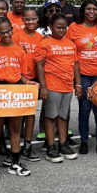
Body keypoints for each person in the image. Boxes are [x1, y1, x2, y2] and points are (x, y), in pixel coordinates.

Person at [0, 17, 33, 177]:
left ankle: (15, 162)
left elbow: (22, 75)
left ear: (12, 30)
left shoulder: (19, 51)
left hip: (16, 89)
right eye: (1, 32)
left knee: (15, 128)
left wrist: (29, 83)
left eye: (8, 31)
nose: (5, 34)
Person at [35, 13, 81, 162]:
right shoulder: (44, 43)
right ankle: (50, 147)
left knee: (63, 116)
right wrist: (43, 87)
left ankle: (62, 144)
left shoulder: (71, 44)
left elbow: (75, 65)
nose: (61, 30)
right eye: (58, 27)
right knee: (51, 116)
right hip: (52, 85)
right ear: (50, 27)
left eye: (64, 27)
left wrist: (78, 84)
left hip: (67, 86)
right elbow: (39, 66)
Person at [68, 0, 97, 154]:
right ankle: (84, 140)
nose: (91, 12)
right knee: (84, 109)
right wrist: (75, 81)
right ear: (83, 11)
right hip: (82, 74)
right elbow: (67, 49)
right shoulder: (73, 27)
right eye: (88, 9)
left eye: (95, 9)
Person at [12, 7, 43, 162]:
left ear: (37, 20)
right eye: (27, 19)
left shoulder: (41, 38)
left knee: (30, 113)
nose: (31, 22)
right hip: (19, 79)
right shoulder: (16, 37)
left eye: (33, 19)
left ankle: (28, 145)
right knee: (18, 115)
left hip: (34, 79)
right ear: (22, 20)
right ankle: (14, 147)